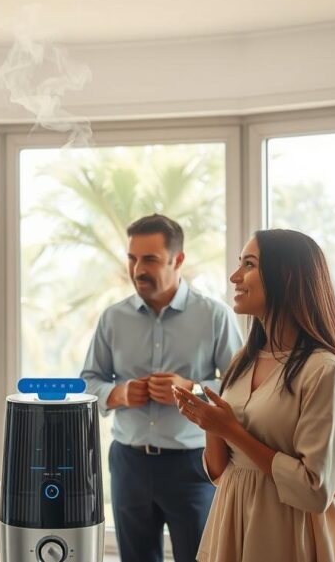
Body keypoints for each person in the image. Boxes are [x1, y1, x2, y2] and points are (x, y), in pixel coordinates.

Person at [175, 229, 335, 562]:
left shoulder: (323, 370)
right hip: (231, 524)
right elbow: (221, 472)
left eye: (249, 264)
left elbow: (313, 490)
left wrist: (232, 430)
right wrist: (209, 421)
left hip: (289, 536)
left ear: (286, 277)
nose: (235, 277)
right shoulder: (243, 360)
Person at [80, 213, 243, 562]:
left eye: (150, 259)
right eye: (132, 258)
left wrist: (192, 388)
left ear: (178, 259)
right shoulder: (112, 319)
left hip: (194, 464)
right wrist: (118, 394)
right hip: (129, 464)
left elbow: (241, 389)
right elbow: (87, 383)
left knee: (200, 557)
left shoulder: (215, 316)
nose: (138, 268)